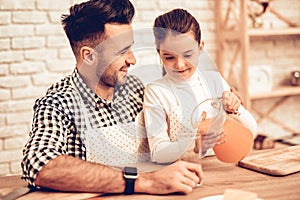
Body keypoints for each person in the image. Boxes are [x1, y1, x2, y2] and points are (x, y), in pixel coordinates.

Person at [21, 0, 202, 195]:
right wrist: (143, 182)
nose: (133, 59)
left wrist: (220, 104)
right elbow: (39, 164)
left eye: (131, 48)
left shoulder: (135, 88)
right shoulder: (58, 103)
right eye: (122, 51)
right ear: (89, 56)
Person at [144, 9, 257, 163]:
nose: (179, 64)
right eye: (169, 57)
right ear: (159, 53)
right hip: (186, 170)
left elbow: (252, 131)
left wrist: (235, 110)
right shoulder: (156, 92)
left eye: (188, 54)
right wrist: (194, 144)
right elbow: (158, 153)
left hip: (222, 167)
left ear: (200, 48)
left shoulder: (214, 80)